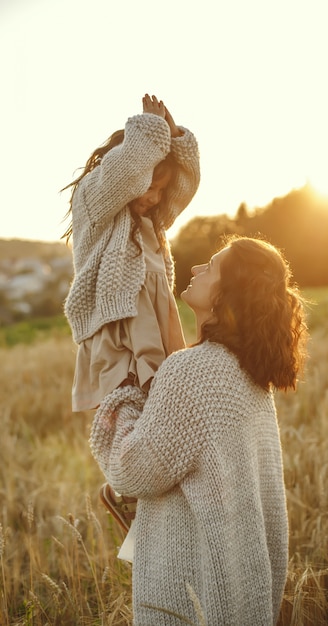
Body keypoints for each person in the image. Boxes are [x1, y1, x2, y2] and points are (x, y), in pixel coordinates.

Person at [89, 235, 308, 626]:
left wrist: (121, 402)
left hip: (193, 598)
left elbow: (131, 471)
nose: (195, 269)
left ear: (229, 293)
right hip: (243, 593)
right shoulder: (253, 376)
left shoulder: (192, 371)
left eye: (210, 267)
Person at [62, 93, 200, 529]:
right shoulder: (97, 207)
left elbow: (186, 184)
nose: (154, 195)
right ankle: (125, 492)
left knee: (166, 417)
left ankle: (147, 510)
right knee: (131, 415)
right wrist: (149, 129)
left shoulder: (154, 222)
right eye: (148, 184)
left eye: (161, 188)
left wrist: (176, 140)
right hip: (118, 333)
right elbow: (123, 172)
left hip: (158, 333)